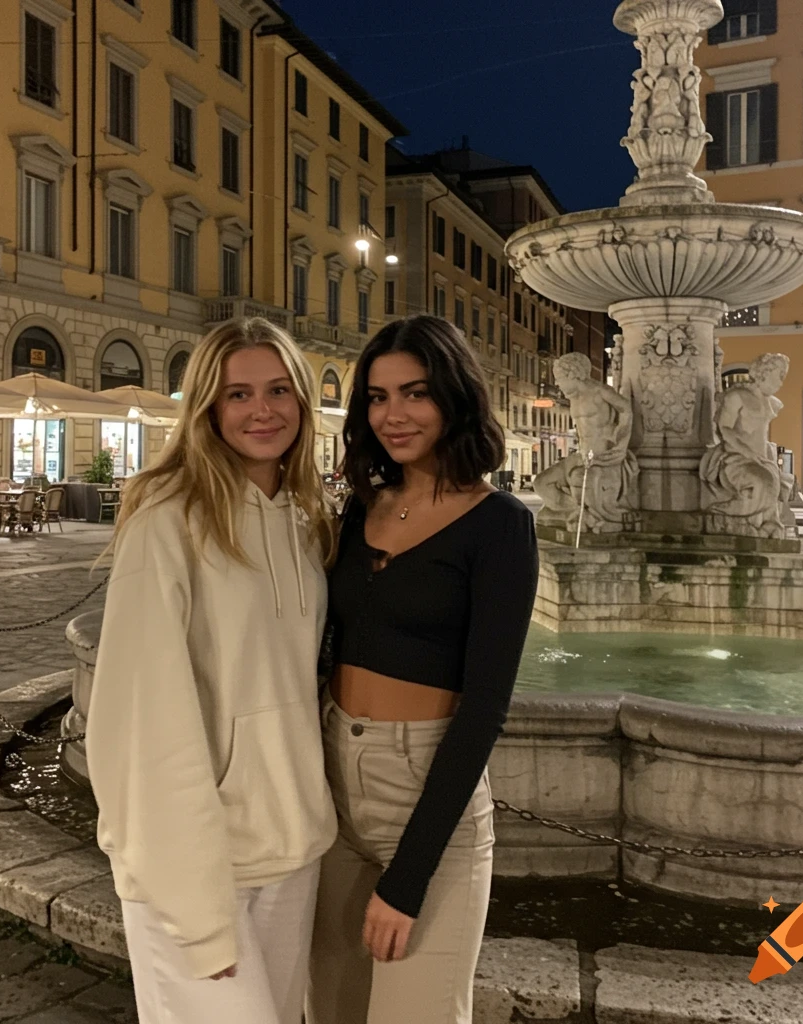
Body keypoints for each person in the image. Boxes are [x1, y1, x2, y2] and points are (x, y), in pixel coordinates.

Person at [85, 318, 338, 1024]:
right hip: (196, 867)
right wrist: (196, 908)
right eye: (239, 394)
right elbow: (142, 721)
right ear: (206, 407)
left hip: (291, 849)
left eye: (279, 389)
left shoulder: (304, 519)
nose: (264, 410)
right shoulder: (167, 520)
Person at [308, 315, 539, 1024]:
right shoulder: (360, 510)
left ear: (454, 396)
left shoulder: (500, 524)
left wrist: (408, 880)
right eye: (377, 398)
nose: (393, 414)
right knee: (330, 1011)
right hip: (331, 786)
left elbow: (484, 710)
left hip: (426, 790)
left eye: (414, 392)